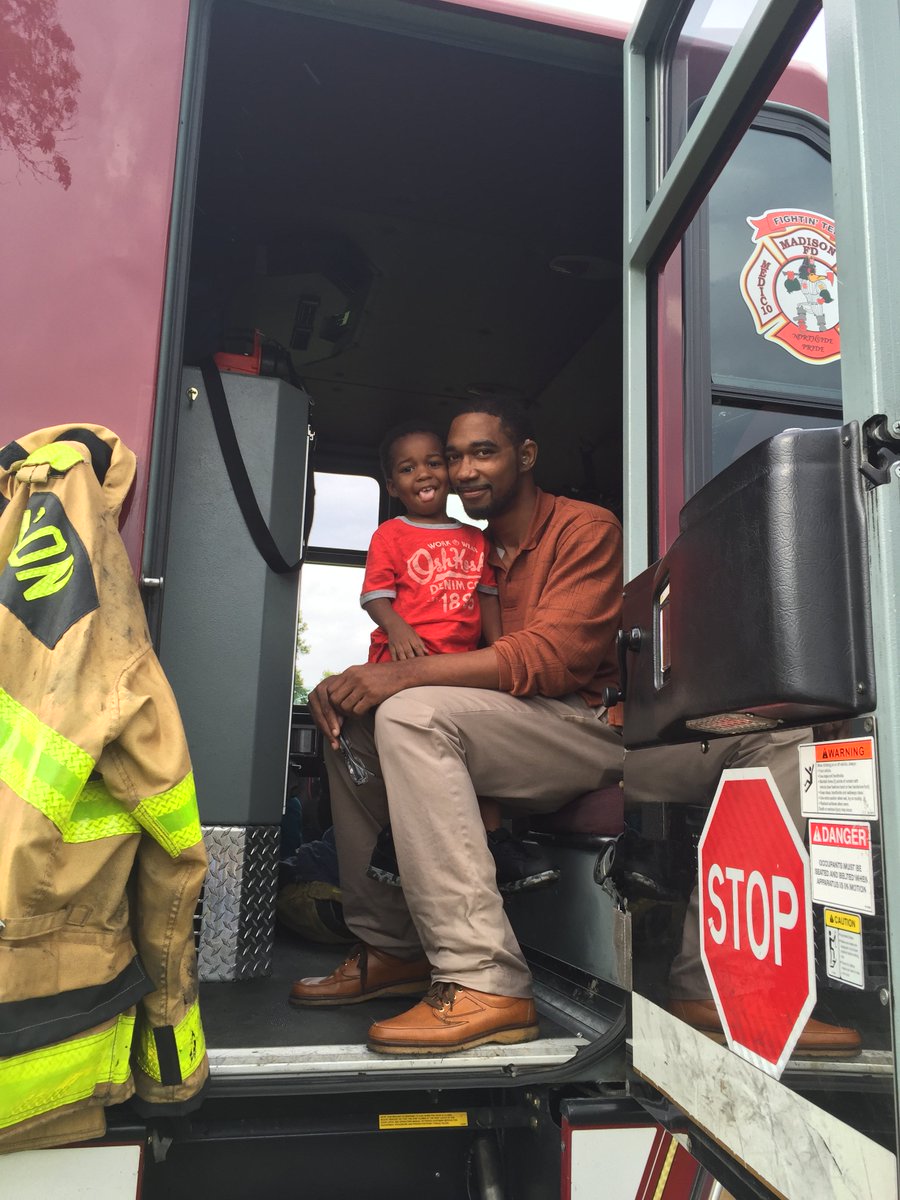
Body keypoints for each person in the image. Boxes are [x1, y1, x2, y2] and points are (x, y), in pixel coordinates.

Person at [291, 399, 625, 1054]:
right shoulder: (471, 551)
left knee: (413, 714)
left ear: (524, 456)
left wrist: (404, 678)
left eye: (484, 452)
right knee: (349, 721)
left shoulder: (585, 529)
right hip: (505, 718)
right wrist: (368, 678)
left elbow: (554, 661)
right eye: (456, 455)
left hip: (580, 721)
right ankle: (394, 949)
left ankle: (484, 977)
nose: (464, 470)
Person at [358, 420, 558, 894]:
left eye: (433, 463)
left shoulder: (476, 539)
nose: (423, 475)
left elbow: (487, 598)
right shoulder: (391, 534)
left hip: (460, 666)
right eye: (408, 469)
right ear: (392, 484)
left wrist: (497, 653)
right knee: (406, 749)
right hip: (404, 666)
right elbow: (375, 596)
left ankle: (490, 841)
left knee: (475, 758)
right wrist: (398, 627)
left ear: (448, 473)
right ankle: (399, 840)